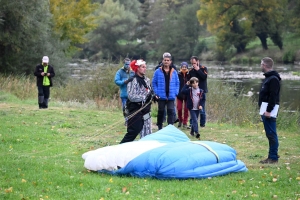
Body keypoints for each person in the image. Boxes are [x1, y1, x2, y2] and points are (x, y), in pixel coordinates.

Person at [120, 59, 154, 143]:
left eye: (145, 67)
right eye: (143, 67)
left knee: (147, 134)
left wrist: (153, 96)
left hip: (146, 111)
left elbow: (149, 92)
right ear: (137, 68)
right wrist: (146, 97)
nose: (145, 69)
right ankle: (119, 149)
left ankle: (144, 152)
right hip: (135, 111)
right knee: (133, 132)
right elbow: (131, 96)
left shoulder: (147, 80)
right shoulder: (132, 80)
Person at [258, 57, 281, 164]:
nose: (260, 66)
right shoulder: (268, 78)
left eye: (261, 64)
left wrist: (268, 111)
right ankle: (272, 155)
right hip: (264, 110)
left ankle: (273, 157)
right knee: (269, 134)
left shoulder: (273, 79)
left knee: (271, 134)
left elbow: (273, 96)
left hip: (269, 111)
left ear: (265, 65)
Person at [152, 53, 179, 130]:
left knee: (171, 111)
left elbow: (177, 83)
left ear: (170, 62)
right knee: (161, 112)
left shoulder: (174, 72)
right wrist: (157, 93)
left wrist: (175, 93)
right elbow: (154, 83)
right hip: (161, 96)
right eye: (165, 60)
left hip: (171, 96)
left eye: (168, 60)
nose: (166, 62)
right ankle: (159, 127)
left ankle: (170, 127)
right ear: (162, 61)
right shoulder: (158, 71)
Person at [189, 56, 208, 128]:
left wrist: (198, 70)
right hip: (193, 92)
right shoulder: (191, 71)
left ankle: (202, 124)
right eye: (192, 63)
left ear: (198, 61)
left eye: (194, 63)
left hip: (202, 91)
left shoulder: (203, 68)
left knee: (202, 108)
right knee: (193, 107)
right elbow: (191, 81)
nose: (193, 65)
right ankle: (192, 123)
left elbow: (204, 77)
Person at [114, 58, 135, 124]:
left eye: (129, 64)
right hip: (124, 93)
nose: (128, 65)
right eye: (126, 64)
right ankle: (126, 120)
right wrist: (124, 82)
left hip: (132, 93)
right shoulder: (119, 72)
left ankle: (131, 120)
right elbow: (116, 81)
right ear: (124, 64)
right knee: (124, 108)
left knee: (132, 108)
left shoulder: (133, 71)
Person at [177, 62, 191, 128]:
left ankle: (185, 123)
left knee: (186, 109)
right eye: (183, 67)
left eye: (185, 67)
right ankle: (180, 120)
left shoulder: (189, 75)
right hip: (179, 95)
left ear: (187, 68)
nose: (184, 68)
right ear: (181, 67)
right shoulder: (178, 75)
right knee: (179, 109)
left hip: (187, 95)